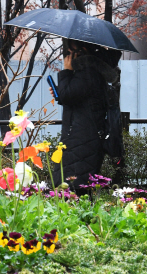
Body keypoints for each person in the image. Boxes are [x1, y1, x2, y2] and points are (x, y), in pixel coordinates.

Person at [49, 40, 120, 195]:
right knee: (77, 186)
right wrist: (61, 93)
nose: (69, 53)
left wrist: (66, 72)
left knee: (71, 186)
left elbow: (70, 95)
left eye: (71, 49)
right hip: (86, 137)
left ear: (83, 49)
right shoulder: (92, 71)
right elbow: (80, 100)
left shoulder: (86, 72)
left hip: (80, 139)